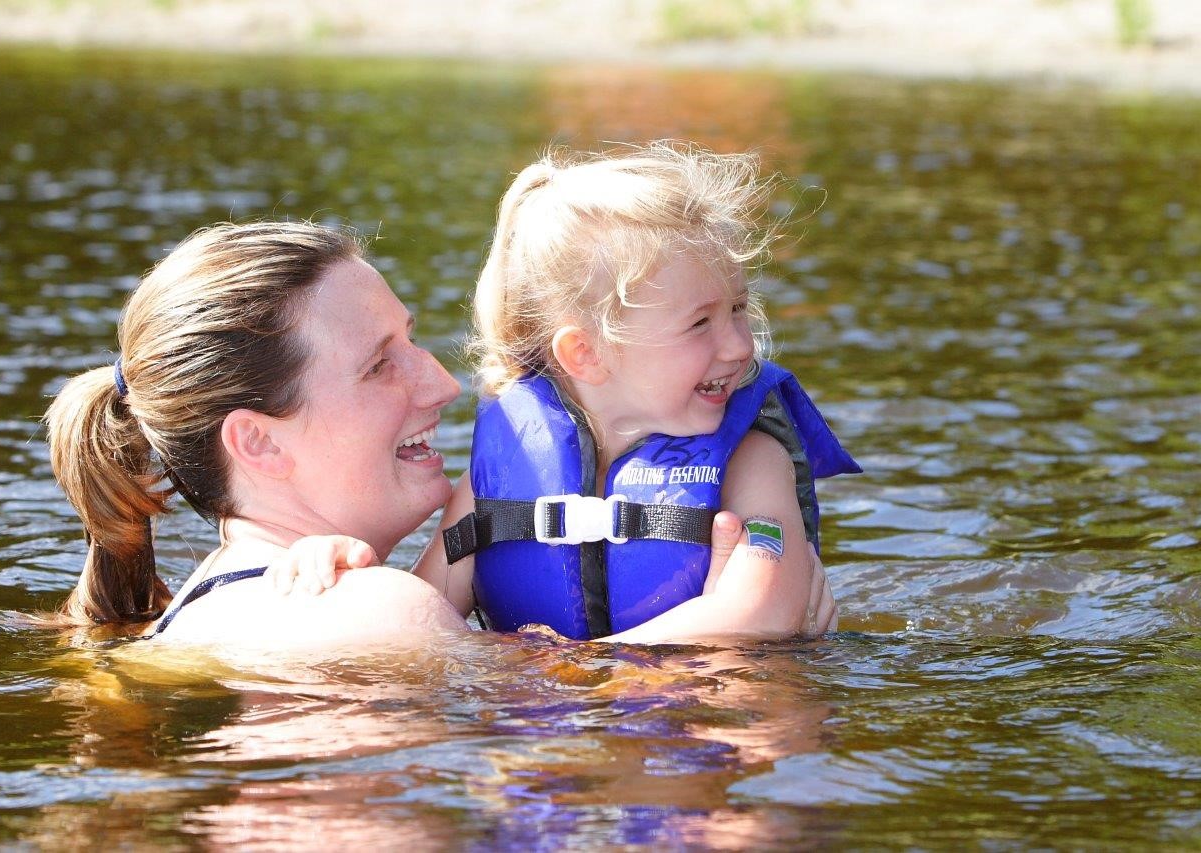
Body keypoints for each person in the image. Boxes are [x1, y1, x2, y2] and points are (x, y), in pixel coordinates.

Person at [42, 219, 758, 657]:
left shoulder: (216, 610)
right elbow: (582, 730)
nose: (443, 385)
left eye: (411, 341)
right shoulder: (368, 615)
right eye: (381, 364)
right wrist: (747, 635)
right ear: (258, 443)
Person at [282, 144, 857, 644]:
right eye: (699, 324)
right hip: (543, 748)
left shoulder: (753, 462)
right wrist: (347, 563)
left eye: (737, 310)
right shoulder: (494, 483)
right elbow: (424, 618)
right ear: (585, 353)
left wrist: (584, 672)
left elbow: (765, 612)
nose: (739, 347)